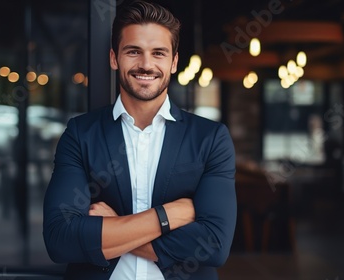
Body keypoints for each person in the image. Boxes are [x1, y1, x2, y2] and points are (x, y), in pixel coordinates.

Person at [43, 1, 237, 279]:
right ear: (114, 58)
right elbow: (60, 240)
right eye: (133, 52)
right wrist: (168, 215)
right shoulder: (80, 133)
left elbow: (214, 246)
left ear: (173, 62)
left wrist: (114, 228)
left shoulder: (210, 138)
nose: (146, 65)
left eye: (158, 53)